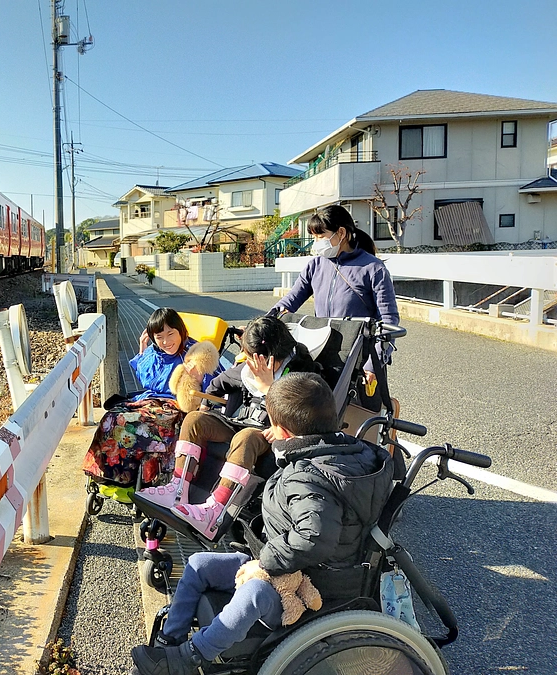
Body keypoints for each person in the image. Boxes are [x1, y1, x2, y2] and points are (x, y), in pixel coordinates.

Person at [131, 373, 394, 675]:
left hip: (310, 587)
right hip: (294, 565)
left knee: (253, 593)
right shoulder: (353, 453)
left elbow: (313, 537)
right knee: (199, 563)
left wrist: (265, 564)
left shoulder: (308, 476)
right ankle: (169, 641)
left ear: (281, 430)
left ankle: (191, 657)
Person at [134, 316, 320, 537]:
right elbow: (217, 383)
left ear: (272, 356)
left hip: (271, 432)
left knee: (247, 436)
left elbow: (306, 415)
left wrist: (270, 387)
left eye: (255, 358)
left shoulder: (302, 371)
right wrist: (205, 405)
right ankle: (178, 488)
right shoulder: (248, 366)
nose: (252, 363)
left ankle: (215, 510)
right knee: (194, 420)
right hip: (240, 421)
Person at [81, 308, 217, 487]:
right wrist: (142, 350)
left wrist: (199, 377)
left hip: (175, 407)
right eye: (159, 336)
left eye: (171, 334)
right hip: (149, 401)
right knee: (110, 418)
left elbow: (216, 384)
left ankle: (131, 477)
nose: (166, 342)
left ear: (181, 331)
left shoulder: (195, 353)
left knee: (131, 424)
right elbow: (146, 381)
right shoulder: (154, 352)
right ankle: (107, 474)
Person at [269, 204, 399, 386]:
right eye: (314, 236)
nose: (316, 242)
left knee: (361, 411)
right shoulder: (315, 265)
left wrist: (373, 363)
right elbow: (290, 301)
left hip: (359, 356)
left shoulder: (373, 268)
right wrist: (263, 325)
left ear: (341, 233)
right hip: (320, 349)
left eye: (320, 236)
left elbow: (389, 320)